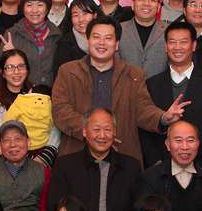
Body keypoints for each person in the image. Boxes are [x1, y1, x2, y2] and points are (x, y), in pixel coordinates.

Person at [51, 16, 185, 168]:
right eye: (96, 37)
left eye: (108, 38)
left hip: (122, 155)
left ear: (116, 45)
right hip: (77, 154)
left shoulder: (133, 75)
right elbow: (60, 110)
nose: (101, 43)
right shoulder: (68, 71)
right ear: (88, 41)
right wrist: (91, 130)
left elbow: (143, 109)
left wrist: (163, 117)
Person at [143, 21, 202, 169]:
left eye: (183, 42)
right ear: (166, 47)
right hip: (163, 168)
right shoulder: (152, 84)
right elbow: (146, 130)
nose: (177, 47)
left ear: (194, 46)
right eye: (172, 42)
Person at [47, 108, 141, 211]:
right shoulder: (65, 166)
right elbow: (54, 210)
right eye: (96, 129)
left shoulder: (131, 167)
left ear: (115, 132)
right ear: (85, 132)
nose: (102, 135)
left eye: (107, 129)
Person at [0, 49, 60, 166]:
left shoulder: (41, 95)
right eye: (10, 67)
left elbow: (53, 130)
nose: (16, 71)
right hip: (8, 164)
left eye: (21, 66)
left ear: (27, 70)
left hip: (42, 160)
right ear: (2, 72)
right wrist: (24, 163)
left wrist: (42, 159)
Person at [0, 0, 61, 89]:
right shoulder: (12, 34)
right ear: (23, 8)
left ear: (47, 8)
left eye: (40, 5)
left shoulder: (57, 35)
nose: (34, 10)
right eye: (29, 5)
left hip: (51, 94)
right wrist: (10, 56)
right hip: (21, 94)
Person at [118, 0, 168, 79]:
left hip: (158, 87)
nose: (146, 4)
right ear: (132, 5)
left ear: (158, 7)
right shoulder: (119, 29)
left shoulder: (169, 31)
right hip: (125, 86)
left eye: (152, 0)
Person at [52, 0, 98, 78]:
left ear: (95, 15)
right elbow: (61, 77)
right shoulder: (64, 44)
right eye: (76, 15)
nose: (81, 20)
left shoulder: (104, 40)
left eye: (85, 14)